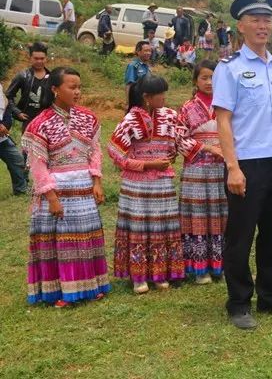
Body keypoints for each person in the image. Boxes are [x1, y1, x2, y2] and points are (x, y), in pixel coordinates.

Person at [212, 0, 272, 330]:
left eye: (267, 20)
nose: (263, 26)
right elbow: (223, 120)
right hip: (247, 162)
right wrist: (232, 166)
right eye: (255, 20)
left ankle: (271, 295)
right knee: (241, 234)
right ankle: (238, 302)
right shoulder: (230, 68)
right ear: (241, 26)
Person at [22, 67, 111, 306]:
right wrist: (51, 197)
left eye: (79, 87)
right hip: (57, 191)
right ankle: (60, 291)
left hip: (83, 189)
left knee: (85, 239)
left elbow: (95, 151)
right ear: (54, 89)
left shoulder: (88, 118)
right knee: (60, 242)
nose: (77, 92)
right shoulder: (39, 124)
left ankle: (91, 286)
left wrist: (97, 181)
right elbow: (37, 164)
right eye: (72, 87)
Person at [110, 74, 196, 294]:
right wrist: (147, 165)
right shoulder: (130, 121)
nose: (164, 98)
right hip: (137, 185)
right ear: (147, 97)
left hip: (162, 184)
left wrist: (206, 150)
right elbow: (115, 153)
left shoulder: (169, 116)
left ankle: (160, 273)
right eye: (161, 94)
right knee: (139, 227)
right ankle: (139, 276)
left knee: (161, 227)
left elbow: (181, 142)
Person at [177, 60, 227, 284]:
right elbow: (179, 139)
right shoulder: (187, 108)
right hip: (196, 171)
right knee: (197, 217)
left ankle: (221, 265)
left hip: (222, 168)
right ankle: (199, 269)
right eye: (204, 78)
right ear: (195, 81)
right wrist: (207, 147)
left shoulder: (226, 105)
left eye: (213, 78)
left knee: (221, 215)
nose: (209, 82)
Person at [5, 42, 51, 133]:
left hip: (47, 121)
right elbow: (8, 96)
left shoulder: (52, 77)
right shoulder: (23, 76)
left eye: (42, 58)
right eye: (36, 58)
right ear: (30, 58)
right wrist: (17, 112)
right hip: (28, 121)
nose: (39, 61)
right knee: (27, 146)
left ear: (46, 58)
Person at [0, 84, 27, 195]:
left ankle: (20, 190)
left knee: (16, 160)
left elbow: (5, 106)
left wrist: (4, 124)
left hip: (2, 138)